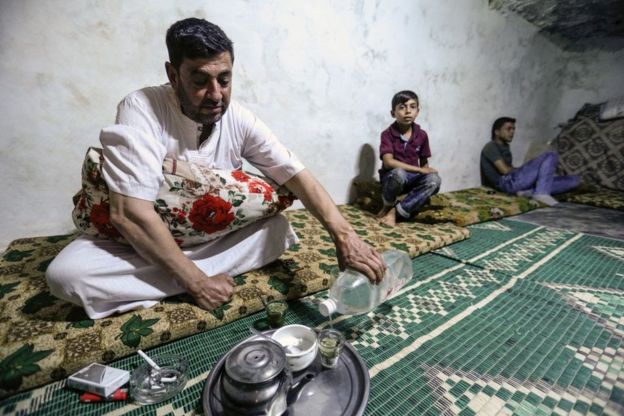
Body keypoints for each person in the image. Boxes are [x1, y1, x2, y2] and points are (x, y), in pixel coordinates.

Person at [45, 18, 385, 319]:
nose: (216, 95)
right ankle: (186, 273)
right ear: (172, 75)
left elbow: (297, 175)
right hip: (143, 242)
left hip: (213, 240)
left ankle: (164, 277)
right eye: (200, 81)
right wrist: (196, 282)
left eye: (224, 79)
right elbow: (129, 214)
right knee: (66, 276)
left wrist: (346, 238)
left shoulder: (237, 117)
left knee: (277, 230)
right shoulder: (141, 107)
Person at [480, 117, 580, 206]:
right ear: (497, 132)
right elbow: (505, 170)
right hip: (505, 184)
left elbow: (510, 169)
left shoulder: (505, 146)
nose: (512, 132)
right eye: (508, 129)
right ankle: (541, 193)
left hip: (513, 182)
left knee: (574, 180)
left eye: (513, 129)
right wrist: (527, 168)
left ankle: (528, 192)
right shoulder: (490, 147)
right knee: (551, 155)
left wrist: (533, 171)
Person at [377, 90, 441, 226]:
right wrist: (419, 170)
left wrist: (426, 173)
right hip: (393, 178)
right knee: (399, 173)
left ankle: (396, 212)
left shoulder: (422, 135)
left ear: (417, 111)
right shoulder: (387, 134)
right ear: (392, 113)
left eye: (412, 107)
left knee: (434, 179)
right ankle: (387, 205)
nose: (407, 111)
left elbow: (424, 163)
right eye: (402, 107)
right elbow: (388, 162)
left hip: (412, 179)